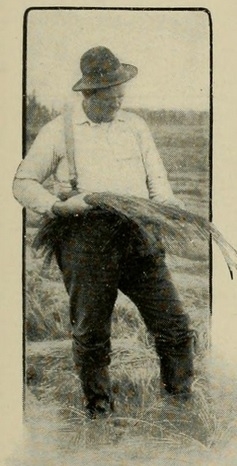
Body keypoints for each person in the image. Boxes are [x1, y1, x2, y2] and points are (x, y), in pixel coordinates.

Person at [13, 46, 195, 418]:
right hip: (85, 238)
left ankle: (179, 406)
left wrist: (168, 208)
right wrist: (56, 206)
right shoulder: (58, 131)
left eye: (121, 96)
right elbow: (23, 182)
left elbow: (157, 182)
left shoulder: (136, 126)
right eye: (109, 98)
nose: (117, 103)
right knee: (93, 333)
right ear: (88, 94)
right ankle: (98, 412)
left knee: (175, 325)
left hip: (139, 234)